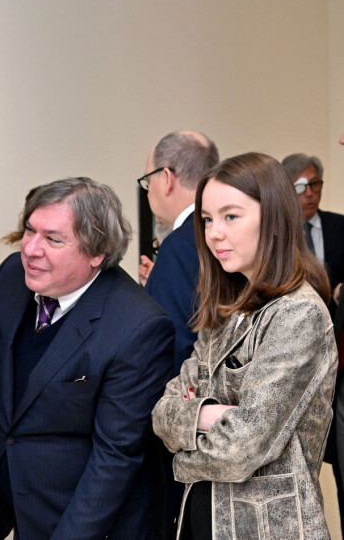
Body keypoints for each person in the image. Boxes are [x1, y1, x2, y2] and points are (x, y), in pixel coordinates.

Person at [0, 177, 175, 539]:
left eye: (53, 239)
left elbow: (114, 457)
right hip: (19, 504)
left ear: (96, 253)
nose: (32, 249)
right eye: (30, 230)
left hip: (91, 522)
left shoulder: (138, 327)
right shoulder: (11, 276)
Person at [152, 152, 337, 540]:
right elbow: (163, 412)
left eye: (230, 216)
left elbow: (241, 448)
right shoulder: (227, 306)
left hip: (266, 528)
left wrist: (182, 453)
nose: (213, 232)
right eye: (206, 219)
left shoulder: (298, 314)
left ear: (273, 218)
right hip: (197, 519)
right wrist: (208, 415)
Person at [137, 130, 219, 538]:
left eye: (147, 180)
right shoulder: (213, 240)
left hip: (188, 439)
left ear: (166, 178)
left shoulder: (179, 247)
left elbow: (170, 349)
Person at [281, 152, 344, 312]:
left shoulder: (340, 225)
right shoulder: (277, 233)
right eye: (301, 187)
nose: (309, 193)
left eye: (315, 183)